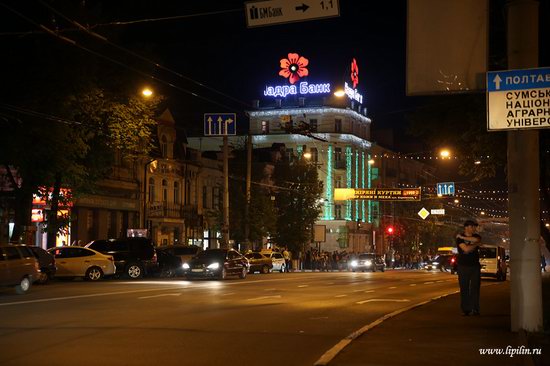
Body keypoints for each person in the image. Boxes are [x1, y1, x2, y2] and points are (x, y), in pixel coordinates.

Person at [456, 220, 482, 316]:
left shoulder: (474, 236)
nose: (474, 229)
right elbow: (465, 249)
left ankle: (475, 309)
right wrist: (475, 245)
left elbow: (476, 240)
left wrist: (463, 238)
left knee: (475, 288)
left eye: (475, 227)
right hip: (463, 266)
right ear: (466, 227)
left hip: (475, 266)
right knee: (464, 288)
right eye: (472, 227)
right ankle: (466, 309)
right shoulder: (459, 239)